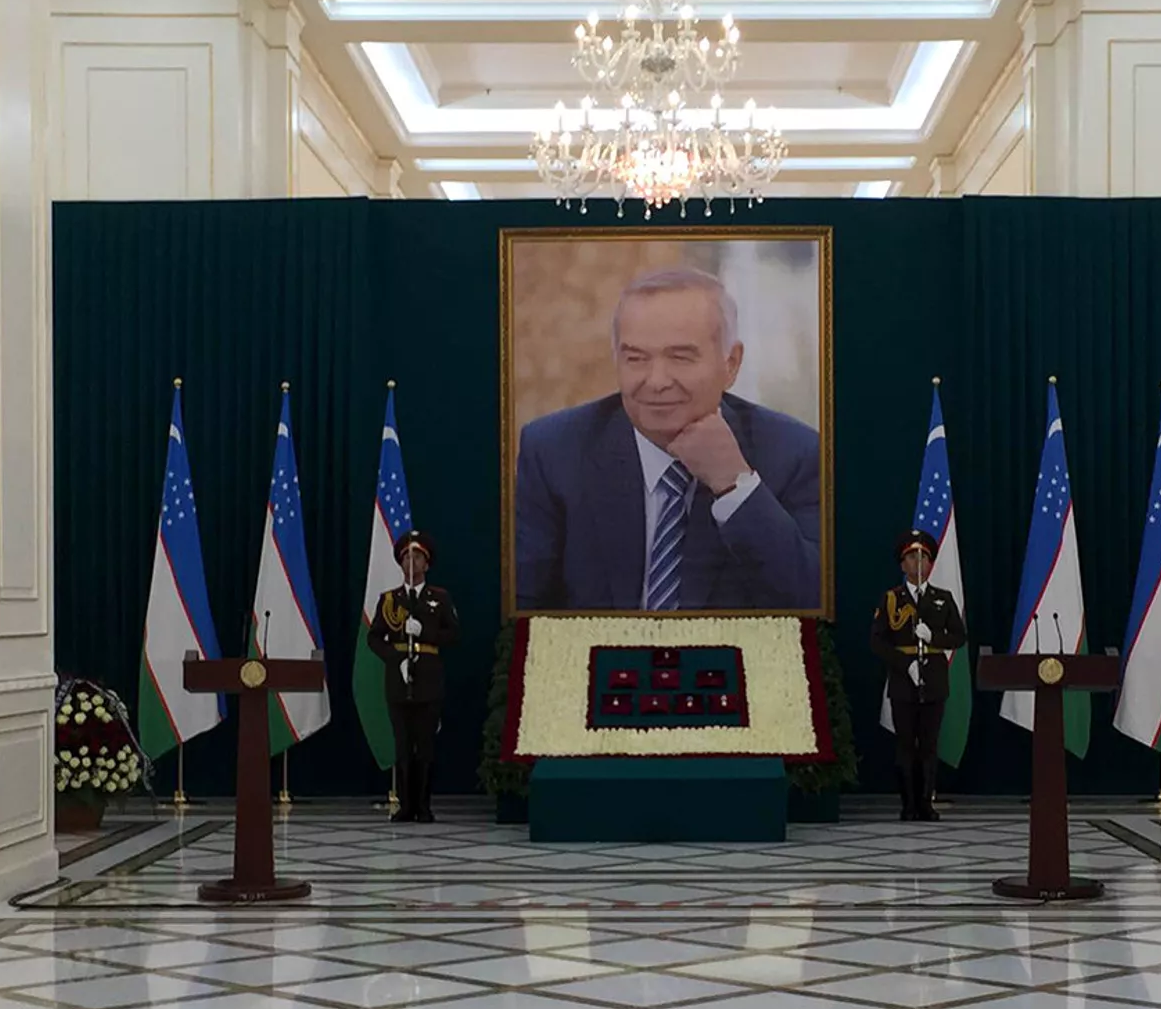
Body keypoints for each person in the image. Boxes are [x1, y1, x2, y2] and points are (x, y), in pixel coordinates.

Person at [514, 265, 823, 611]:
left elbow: (815, 606)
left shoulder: (795, 455)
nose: (657, 381)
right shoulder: (554, 451)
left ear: (731, 363)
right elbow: (519, 612)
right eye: (636, 359)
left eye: (680, 357)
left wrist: (735, 485)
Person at [871, 528, 967, 822]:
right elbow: (878, 641)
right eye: (912, 557)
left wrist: (934, 636)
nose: (918, 562)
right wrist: (905, 664)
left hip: (934, 678)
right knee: (905, 745)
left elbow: (959, 637)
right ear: (903, 565)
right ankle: (908, 804)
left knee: (928, 744)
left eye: (923, 557)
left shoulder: (942, 599)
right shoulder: (892, 599)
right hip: (903, 680)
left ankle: (926, 803)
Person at [368, 530, 459, 823]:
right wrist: (395, 659)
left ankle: (424, 805)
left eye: (417, 557)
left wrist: (425, 632)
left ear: (426, 564)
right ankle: (406, 806)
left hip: (428, 679)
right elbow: (374, 638)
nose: (411, 562)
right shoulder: (389, 600)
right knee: (403, 745)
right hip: (399, 679)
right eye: (406, 557)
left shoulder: (439, 598)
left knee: (426, 746)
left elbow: (453, 635)